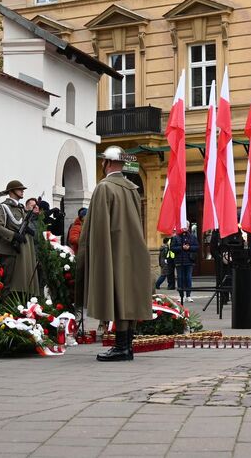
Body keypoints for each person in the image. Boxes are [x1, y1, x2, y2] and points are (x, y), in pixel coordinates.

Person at [74, 146, 152, 362]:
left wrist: (92, 255)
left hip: (112, 250)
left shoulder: (104, 187)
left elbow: (96, 228)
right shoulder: (132, 188)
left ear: (106, 163)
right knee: (126, 297)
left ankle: (121, 346)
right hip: (132, 249)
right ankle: (126, 346)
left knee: (116, 296)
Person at [0, 179, 42, 298]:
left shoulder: (20, 208)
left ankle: (17, 310)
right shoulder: (3, 207)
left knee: (21, 285)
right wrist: (13, 236)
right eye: (20, 189)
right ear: (12, 191)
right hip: (9, 250)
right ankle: (5, 311)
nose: (23, 191)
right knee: (7, 284)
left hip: (21, 252)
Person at [170, 226, 199, 304]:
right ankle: (181, 295)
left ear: (188, 227)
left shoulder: (192, 237)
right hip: (179, 261)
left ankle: (188, 295)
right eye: (183, 227)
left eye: (185, 226)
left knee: (188, 278)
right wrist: (181, 247)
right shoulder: (176, 237)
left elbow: (197, 247)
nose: (184, 228)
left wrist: (189, 247)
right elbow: (172, 248)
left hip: (189, 261)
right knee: (180, 278)